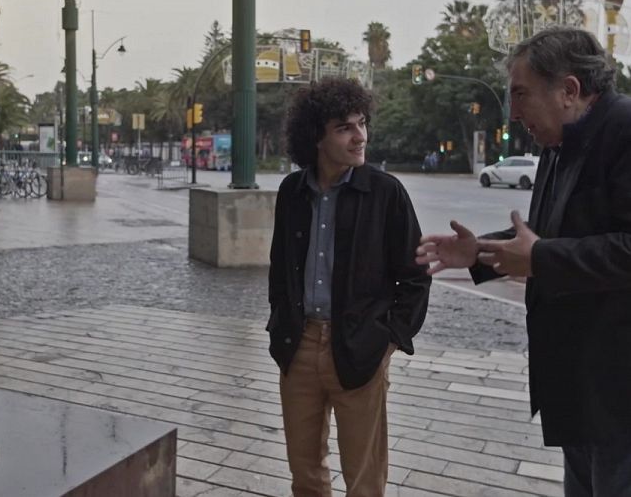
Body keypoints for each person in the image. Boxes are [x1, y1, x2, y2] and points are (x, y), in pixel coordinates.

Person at [415, 26, 631, 496]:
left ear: (569, 90)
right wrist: (479, 254)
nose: (513, 112)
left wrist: (542, 256)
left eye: (520, 94)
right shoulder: (558, 143)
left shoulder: (625, 130)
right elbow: (545, 238)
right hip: (580, 387)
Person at [268, 77, 431, 497]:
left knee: (364, 478)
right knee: (305, 475)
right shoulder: (292, 192)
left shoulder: (385, 192)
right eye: (344, 127)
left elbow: (415, 275)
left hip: (360, 349)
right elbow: (279, 268)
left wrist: (390, 340)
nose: (360, 136)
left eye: (361, 123)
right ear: (316, 137)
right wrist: (279, 326)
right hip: (299, 346)